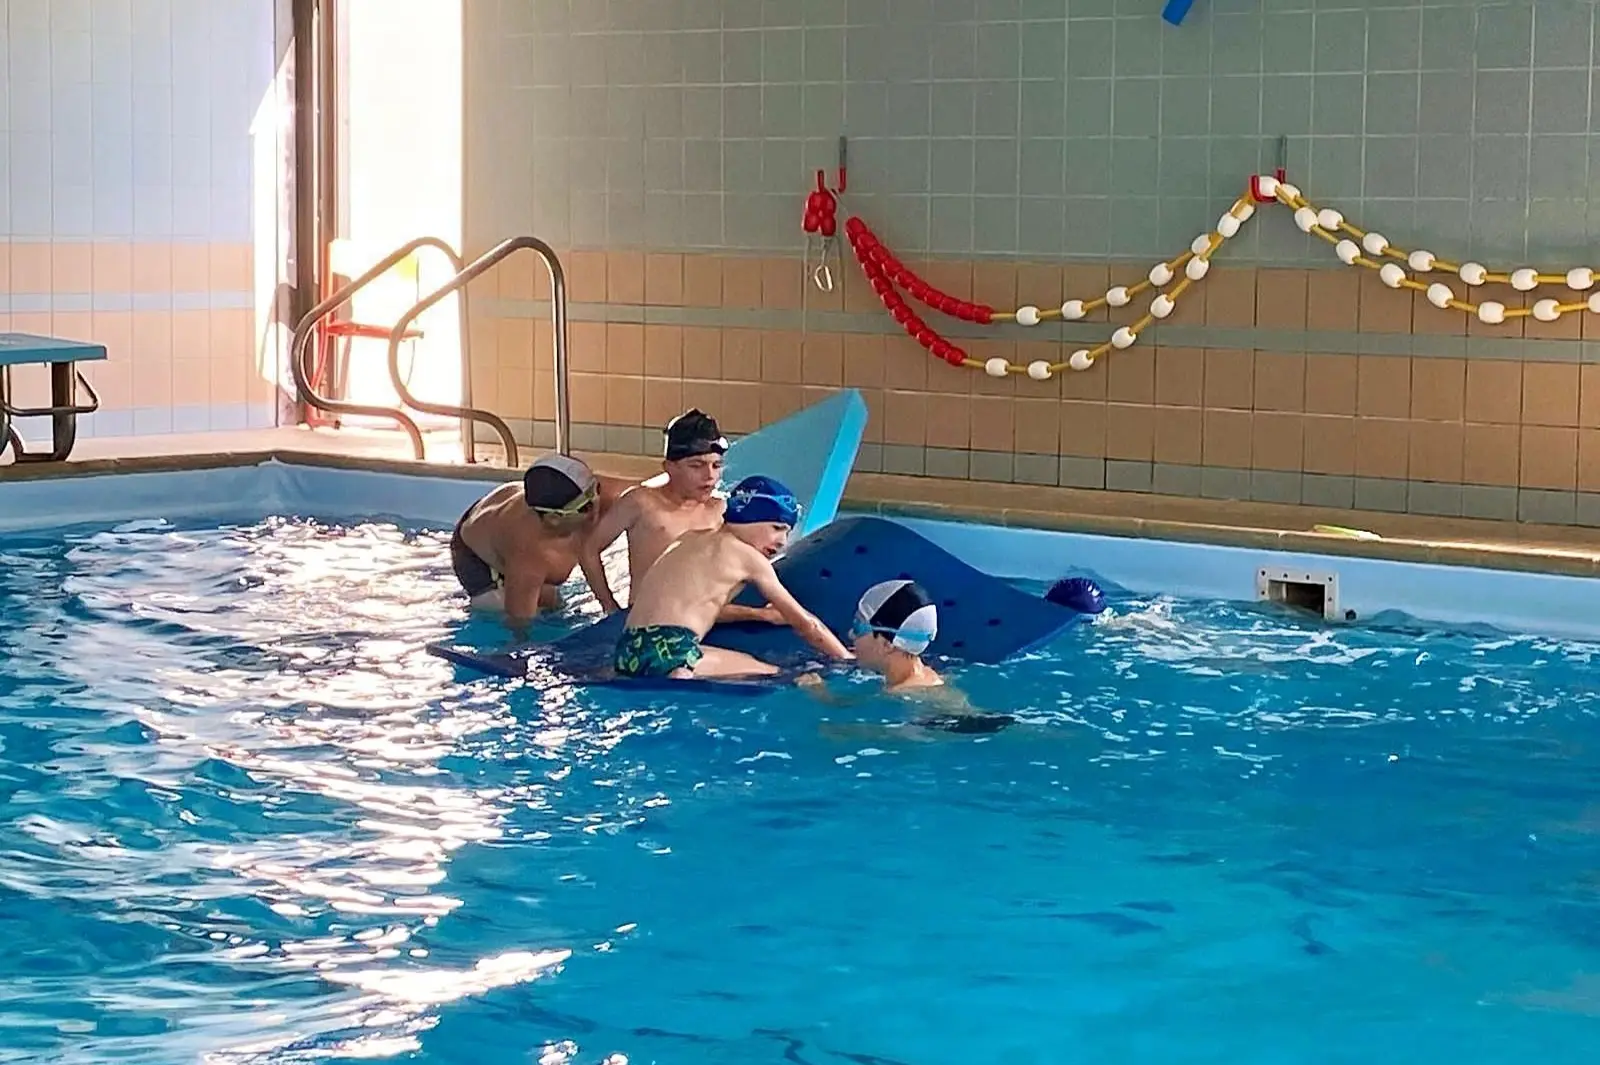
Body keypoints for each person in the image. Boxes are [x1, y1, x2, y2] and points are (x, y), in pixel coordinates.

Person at [612, 475, 851, 680]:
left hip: (627, 651)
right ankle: (682, 671)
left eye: (787, 532)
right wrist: (846, 659)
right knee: (776, 674)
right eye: (777, 528)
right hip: (674, 652)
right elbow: (806, 624)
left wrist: (761, 615)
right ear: (751, 517)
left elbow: (697, 606)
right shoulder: (747, 557)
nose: (782, 542)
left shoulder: (688, 539)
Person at [582, 408, 789, 625]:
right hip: (650, 621)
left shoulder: (720, 510)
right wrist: (610, 607)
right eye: (696, 466)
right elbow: (589, 550)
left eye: (716, 465)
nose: (709, 476)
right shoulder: (641, 503)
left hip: (699, 619)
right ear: (669, 468)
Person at [804, 580, 1016, 736]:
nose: (851, 634)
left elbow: (914, 735)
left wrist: (850, 732)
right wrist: (821, 693)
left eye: (859, 627)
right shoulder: (917, 676)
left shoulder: (912, 692)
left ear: (887, 644)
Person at [450, 453, 627, 635]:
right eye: (585, 507)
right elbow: (519, 627)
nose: (597, 506)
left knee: (552, 605)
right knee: (517, 614)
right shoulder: (530, 554)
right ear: (554, 519)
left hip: (502, 511)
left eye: (596, 490)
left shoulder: (596, 496)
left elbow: (642, 495)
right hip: (475, 553)